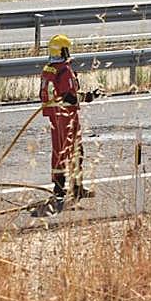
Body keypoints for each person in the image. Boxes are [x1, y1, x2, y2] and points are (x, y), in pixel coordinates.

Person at [39, 33, 94, 211]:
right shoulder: (64, 70)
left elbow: (55, 95)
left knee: (61, 151)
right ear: (62, 50)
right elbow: (70, 97)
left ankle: (69, 188)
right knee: (72, 151)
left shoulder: (49, 69)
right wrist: (87, 96)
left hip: (56, 115)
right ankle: (65, 189)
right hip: (66, 116)